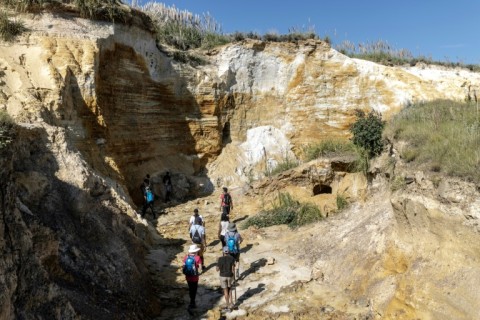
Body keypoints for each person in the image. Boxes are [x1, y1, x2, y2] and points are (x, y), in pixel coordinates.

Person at [182, 244, 202, 309]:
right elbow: (200, 268)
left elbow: (183, 266)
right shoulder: (198, 258)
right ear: (196, 251)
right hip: (195, 277)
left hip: (188, 276)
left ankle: (191, 301)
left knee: (190, 288)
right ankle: (192, 302)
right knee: (194, 289)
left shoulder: (186, 257)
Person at [216, 246, 236, 311]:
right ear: (229, 251)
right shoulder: (232, 258)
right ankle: (231, 302)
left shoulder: (220, 259)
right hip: (230, 275)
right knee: (230, 289)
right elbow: (233, 269)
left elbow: (217, 269)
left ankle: (227, 304)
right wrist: (233, 276)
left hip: (222, 276)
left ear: (223, 252)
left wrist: (217, 263)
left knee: (225, 290)